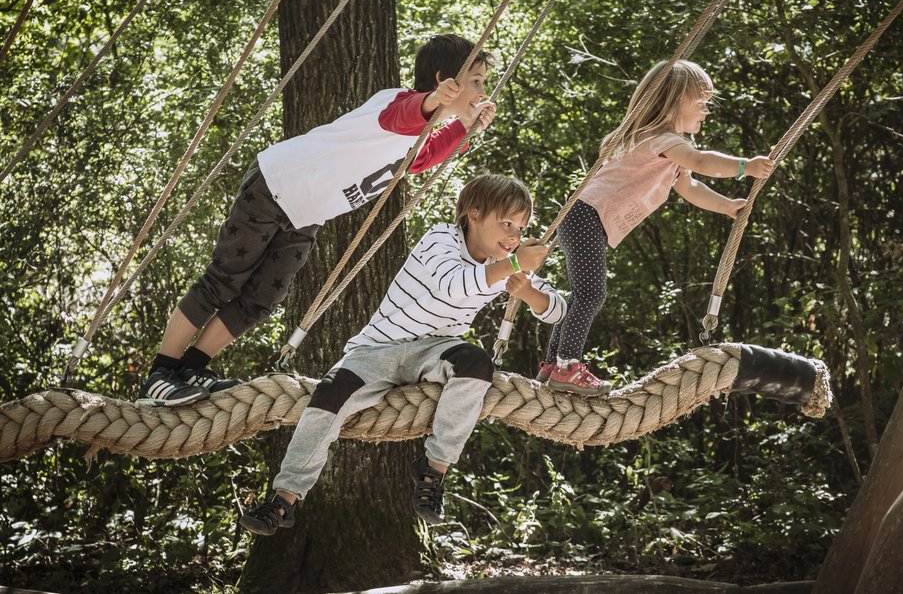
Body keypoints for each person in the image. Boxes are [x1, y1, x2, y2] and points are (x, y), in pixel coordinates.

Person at [137, 34, 497, 407]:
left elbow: (424, 158)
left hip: (305, 216)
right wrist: (436, 101)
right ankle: (160, 374)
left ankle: (194, 367)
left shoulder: (418, 139)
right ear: (444, 79)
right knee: (222, 281)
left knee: (261, 300)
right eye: (476, 80)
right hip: (275, 186)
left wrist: (466, 127)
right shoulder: (396, 104)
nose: (482, 89)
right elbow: (408, 113)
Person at [237, 174, 566, 531]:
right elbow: (453, 285)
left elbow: (557, 310)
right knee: (331, 393)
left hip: (435, 350)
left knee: (477, 363)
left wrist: (529, 293)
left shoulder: (505, 266)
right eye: (506, 223)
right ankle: (285, 499)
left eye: (521, 228)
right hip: (380, 346)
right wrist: (513, 266)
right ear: (473, 214)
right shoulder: (440, 239)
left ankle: (433, 470)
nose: (515, 236)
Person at [538, 59, 775, 396]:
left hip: (583, 218)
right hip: (585, 216)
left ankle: (554, 365)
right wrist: (744, 167)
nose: (707, 111)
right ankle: (566, 366)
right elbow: (701, 161)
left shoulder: (667, 149)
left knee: (583, 295)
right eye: (702, 102)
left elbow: (690, 187)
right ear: (677, 100)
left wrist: (727, 206)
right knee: (591, 294)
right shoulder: (659, 139)